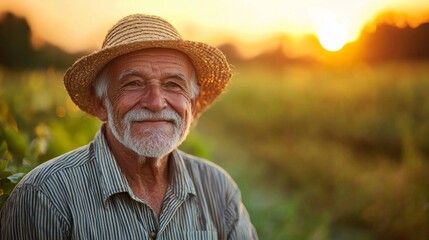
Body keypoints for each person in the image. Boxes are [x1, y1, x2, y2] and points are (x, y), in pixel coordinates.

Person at [0, 14, 258, 239]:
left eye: (173, 84)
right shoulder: (45, 196)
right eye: (134, 83)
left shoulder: (218, 189)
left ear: (191, 102)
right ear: (100, 103)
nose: (156, 103)